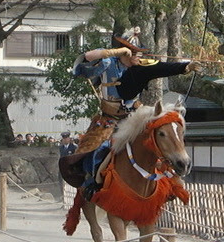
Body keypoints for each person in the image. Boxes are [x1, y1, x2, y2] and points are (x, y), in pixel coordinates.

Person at [60, 27, 204, 199]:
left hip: (134, 117)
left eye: (139, 53)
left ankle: (170, 184)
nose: (138, 56)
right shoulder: (108, 63)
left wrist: (186, 67)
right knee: (98, 149)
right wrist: (115, 51)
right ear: (123, 53)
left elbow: (161, 67)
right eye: (133, 52)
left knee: (157, 142)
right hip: (110, 120)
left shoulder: (141, 67)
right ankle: (93, 183)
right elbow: (81, 65)